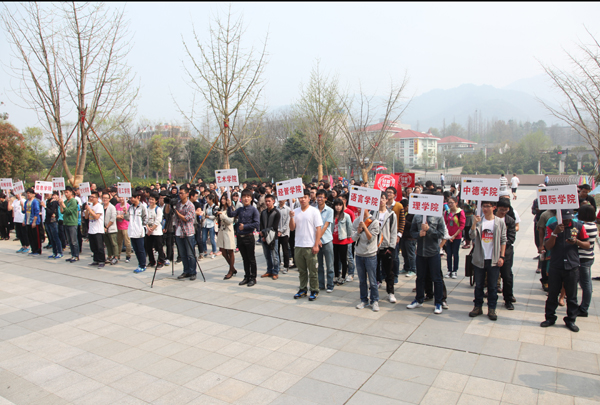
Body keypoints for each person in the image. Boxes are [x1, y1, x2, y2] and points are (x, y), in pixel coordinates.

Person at [541, 209, 589, 332]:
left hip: (572, 266)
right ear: (559, 217)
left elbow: (587, 244)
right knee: (552, 294)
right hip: (556, 265)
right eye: (564, 218)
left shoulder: (578, 226)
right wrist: (555, 233)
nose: (567, 221)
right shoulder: (552, 226)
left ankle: (571, 320)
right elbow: (548, 246)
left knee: (572, 296)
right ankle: (550, 318)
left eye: (569, 218)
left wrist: (576, 242)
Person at [468, 201, 507, 321]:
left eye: (487, 206)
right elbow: (471, 236)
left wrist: (502, 256)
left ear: (494, 208)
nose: (485, 209)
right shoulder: (479, 221)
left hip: (493, 259)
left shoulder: (499, 222)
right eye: (483, 206)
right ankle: (477, 307)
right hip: (480, 258)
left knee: (492, 286)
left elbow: (503, 240)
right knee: (479, 285)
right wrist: (474, 223)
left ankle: (492, 308)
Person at [407, 202, 447, 314]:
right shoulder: (417, 216)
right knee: (420, 277)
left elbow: (441, 234)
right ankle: (419, 299)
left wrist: (429, 229)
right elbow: (412, 232)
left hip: (433, 252)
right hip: (420, 252)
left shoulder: (438, 216)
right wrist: (418, 234)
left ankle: (438, 302)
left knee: (436, 279)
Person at [290, 189, 323, 301]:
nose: (303, 199)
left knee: (313, 271)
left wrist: (316, 244)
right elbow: (292, 228)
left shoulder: (314, 211)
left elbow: (318, 228)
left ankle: (314, 290)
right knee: (302, 271)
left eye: (305, 197)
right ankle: (303, 289)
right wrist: (291, 217)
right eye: (301, 197)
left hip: (310, 245)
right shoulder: (295, 211)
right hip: (298, 245)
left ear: (309, 198)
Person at [227, 188, 260, 286]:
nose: (246, 198)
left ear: (251, 198)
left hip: (249, 237)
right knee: (244, 258)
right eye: (244, 196)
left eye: (248, 197)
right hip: (240, 238)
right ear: (241, 198)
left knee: (251, 258)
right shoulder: (240, 209)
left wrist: (245, 226)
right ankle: (247, 276)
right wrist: (229, 206)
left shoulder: (254, 210)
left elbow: (257, 223)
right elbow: (230, 214)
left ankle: (253, 278)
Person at [353, 205, 381, 311]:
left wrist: (364, 227)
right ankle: (364, 300)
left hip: (370, 255)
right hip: (359, 254)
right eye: (358, 207)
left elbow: (371, 238)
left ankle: (375, 300)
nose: (359, 209)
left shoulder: (374, 222)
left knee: (373, 280)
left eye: (362, 207)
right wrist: (358, 232)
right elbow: (353, 238)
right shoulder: (356, 221)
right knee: (362, 280)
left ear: (368, 208)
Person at [495, 198, 517, 309]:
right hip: (492, 252)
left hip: (506, 253)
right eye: (501, 209)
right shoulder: (490, 218)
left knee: (507, 276)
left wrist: (501, 246)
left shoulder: (510, 221)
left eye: (506, 210)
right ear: (496, 208)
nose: (503, 212)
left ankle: (508, 299)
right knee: (492, 276)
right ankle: (492, 298)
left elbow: (511, 238)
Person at [377, 193, 398, 304]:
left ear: (386, 200)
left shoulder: (391, 215)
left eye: (383, 198)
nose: (381, 200)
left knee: (389, 271)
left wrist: (391, 247)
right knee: (373, 270)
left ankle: (390, 292)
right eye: (379, 198)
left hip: (386, 246)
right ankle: (373, 290)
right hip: (374, 247)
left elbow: (394, 231)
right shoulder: (373, 213)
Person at [575, 204, 596, 317]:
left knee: (586, 284)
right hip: (588, 257)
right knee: (585, 283)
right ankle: (583, 306)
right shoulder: (593, 225)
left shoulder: (584, 226)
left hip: (583, 257)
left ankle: (584, 308)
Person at [174, 187, 198, 281]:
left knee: (190, 254)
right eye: (179, 193)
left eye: (182, 193)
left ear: (187, 194)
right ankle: (186, 271)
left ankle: (193, 272)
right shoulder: (177, 204)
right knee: (183, 254)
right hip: (178, 231)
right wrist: (169, 205)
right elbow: (168, 213)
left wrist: (177, 212)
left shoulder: (190, 205)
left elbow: (186, 218)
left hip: (188, 232)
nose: (180, 195)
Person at [316, 189, 335, 292]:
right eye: (318, 197)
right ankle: (321, 284)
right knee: (319, 265)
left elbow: (325, 226)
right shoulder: (313, 210)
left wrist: (318, 238)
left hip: (327, 241)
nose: (319, 199)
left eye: (321, 197)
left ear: (326, 198)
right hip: (316, 242)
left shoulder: (330, 210)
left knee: (329, 264)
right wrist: (317, 240)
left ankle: (330, 284)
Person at [385, 186, 405, 283]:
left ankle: (395, 275)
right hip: (384, 234)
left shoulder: (399, 206)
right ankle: (384, 274)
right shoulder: (382, 205)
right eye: (387, 192)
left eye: (390, 192)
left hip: (394, 233)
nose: (388, 194)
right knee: (384, 256)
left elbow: (402, 221)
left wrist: (399, 234)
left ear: (394, 195)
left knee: (395, 256)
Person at [260, 194, 281, 279]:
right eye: (266, 201)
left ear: (273, 201)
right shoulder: (263, 212)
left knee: (274, 256)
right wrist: (262, 234)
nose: (267, 203)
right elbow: (261, 225)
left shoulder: (276, 213)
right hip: (264, 238)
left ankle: (275, 271)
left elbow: (274, 228)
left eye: (269, 201)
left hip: (273, 237)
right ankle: (269, 270)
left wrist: (265, 234)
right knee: (267, 255)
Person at [332, 198, 353, 285]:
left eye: (340, 205)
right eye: (336, 205)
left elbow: (349, 227)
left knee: (343, 259)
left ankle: (343, 276)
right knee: (335, 259)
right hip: (333, 240)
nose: (338, 207)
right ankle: (336, 275)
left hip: (342, 240)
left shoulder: (346, 216)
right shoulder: (332, 215)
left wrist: (348, 238)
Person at [443, 196, 465, 279]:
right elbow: (445, 224)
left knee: (455, 254)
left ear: (456, 203)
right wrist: (447, 236)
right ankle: (449, 270)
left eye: (452, 202)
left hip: (457, 236)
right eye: (449, 203)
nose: (450, 204)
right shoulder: (447, 212)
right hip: (448, 236)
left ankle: (455, 270)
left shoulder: (460, 212)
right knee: (449, 254)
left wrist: (454, 236)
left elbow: (462, 226)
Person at [216, 194, 237, 279]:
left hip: (228, 231)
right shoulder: (220, 208)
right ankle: (232, 268)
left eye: (224, 199)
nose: (222, 200)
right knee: (223, 251)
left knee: (230, 251)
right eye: (222, 199)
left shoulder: (231, 208)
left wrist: (223, 215)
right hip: (221, 231)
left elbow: (230, 221)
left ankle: (231, 270)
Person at [127, 191, 148, 273]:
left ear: (137, 197)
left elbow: (145, 218)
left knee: (140, 249)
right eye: (130, 198)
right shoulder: (130, 207)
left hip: (139, 232)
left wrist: (142, 227)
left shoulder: (142, 207)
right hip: (132, 231)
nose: (131, 199)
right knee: (136, 249)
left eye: (133, 197)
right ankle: (140, 264)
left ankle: (143, 265)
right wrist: (125, 213)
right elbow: (127, 218)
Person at [84, 191, 106, 268]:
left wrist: (90, 210)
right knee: (93, 246)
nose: (91, 198)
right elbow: (86, 217)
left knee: (99, 247)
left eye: (93, 197)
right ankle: (96, 260)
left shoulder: (99, 206)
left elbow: (96, 217)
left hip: (98, 230)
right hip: (91, 229)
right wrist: (87, 210)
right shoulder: (90, 206)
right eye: (90, 197)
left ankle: (102, 260)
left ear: (97, 198)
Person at [145, 192, 166, 269]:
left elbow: (158, 221)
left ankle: (161, 261)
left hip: (157, 231)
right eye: (150, 199)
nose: (150, 201)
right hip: (148, 231)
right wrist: (148, 228)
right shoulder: (146, 208)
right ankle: (151, 261)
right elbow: (144, 219)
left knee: (159, 247)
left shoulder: (158, 209)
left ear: (156, 201)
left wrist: (152, 229)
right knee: (148, 247)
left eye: (152, 199)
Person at [59, 187, 79, 262]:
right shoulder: (66, 201)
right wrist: (61, 204)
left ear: (71, 192)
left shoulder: (73, 201)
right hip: (66, 222)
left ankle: (76, 255)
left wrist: (63, 204)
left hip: (72, 222)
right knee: (69, 241)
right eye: (65, 192)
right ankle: (72, 255)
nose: (66, 194)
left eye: (67, 192)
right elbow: (62, 212)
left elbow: (69, 211)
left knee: (74, 241)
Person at [23, 188, 42, 256]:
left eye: (30, 193)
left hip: (34, 222)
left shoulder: (35, 202)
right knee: (30, 237)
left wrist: (34, 221)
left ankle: (38, 250)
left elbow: (37, 212)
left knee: (36, 237)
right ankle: (33, 249)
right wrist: (24, 220)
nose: (28, 195)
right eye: (27, 193)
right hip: (28, 221)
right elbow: (25, 212)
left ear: (33, 194)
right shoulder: (26, 202)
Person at [102, 192, 118, 265]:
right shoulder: (101, 206)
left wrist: (106, 227)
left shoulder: (112, 207)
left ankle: (116, 257)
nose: (105, 199)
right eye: (103, 198)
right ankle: (109, 256)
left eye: (106, 198)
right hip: (103, 228)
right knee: (107, 243)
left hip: (111, 228)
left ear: (109, 199)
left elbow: (113, 218)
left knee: (114, 243)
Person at [45, 192, 63, 259]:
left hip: (53, 222)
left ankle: (60, 252)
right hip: (48, 221)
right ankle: (54, 252)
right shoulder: (48, 201)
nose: (47, 195)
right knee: (51, 238)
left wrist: (45, 207)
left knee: (56, 238)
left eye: (48, 193)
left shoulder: (54, 202)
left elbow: (51, 212)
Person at [115, 196, 132, 263]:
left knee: (127, 242)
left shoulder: (128, 206)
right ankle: (118, 255)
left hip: (126, 226)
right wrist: (117, 216)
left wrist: (124, 214)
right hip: (118, 226)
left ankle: (128, 256)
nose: (121, 199)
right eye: (120, 197)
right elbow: (114, 214)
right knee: (118, 242)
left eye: (122, 197)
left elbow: (129, 216)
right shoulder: (117, 205)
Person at [277, 198, 291, 274]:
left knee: (285, 250)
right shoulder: (276, 209)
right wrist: (277, 231)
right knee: (276, 250)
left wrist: (281, 231)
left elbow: (288, 222)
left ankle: (286, 266)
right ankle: (278, 265)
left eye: (283, 198)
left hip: (285, 233)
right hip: (276, 233)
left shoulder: (288, 209)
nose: (281, 200)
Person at [202, 194, 218, 259]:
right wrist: (203, 216)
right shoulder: (206, 205)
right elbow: (204, 213)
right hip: (205, 224)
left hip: (212, 224)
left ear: (211, 199)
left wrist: (208, 216)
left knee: (212, 239)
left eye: (207, 199)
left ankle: (214, 251)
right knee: (203, 239)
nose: (206, 200)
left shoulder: (215, 207)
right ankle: (205, 251)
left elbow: (215, 216)